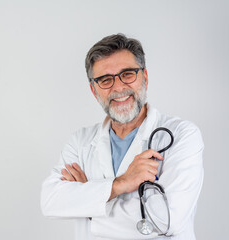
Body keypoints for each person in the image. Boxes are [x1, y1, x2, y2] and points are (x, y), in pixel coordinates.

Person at [40, 34, 204, 240]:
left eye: (127, 74)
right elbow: (51, 202)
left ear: (145, 77)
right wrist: (120, 184)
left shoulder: (182, 135)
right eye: (105, 80)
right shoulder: (80, 142)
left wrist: (89, 208)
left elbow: (169, 220)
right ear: (94, 89)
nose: (118, 88)